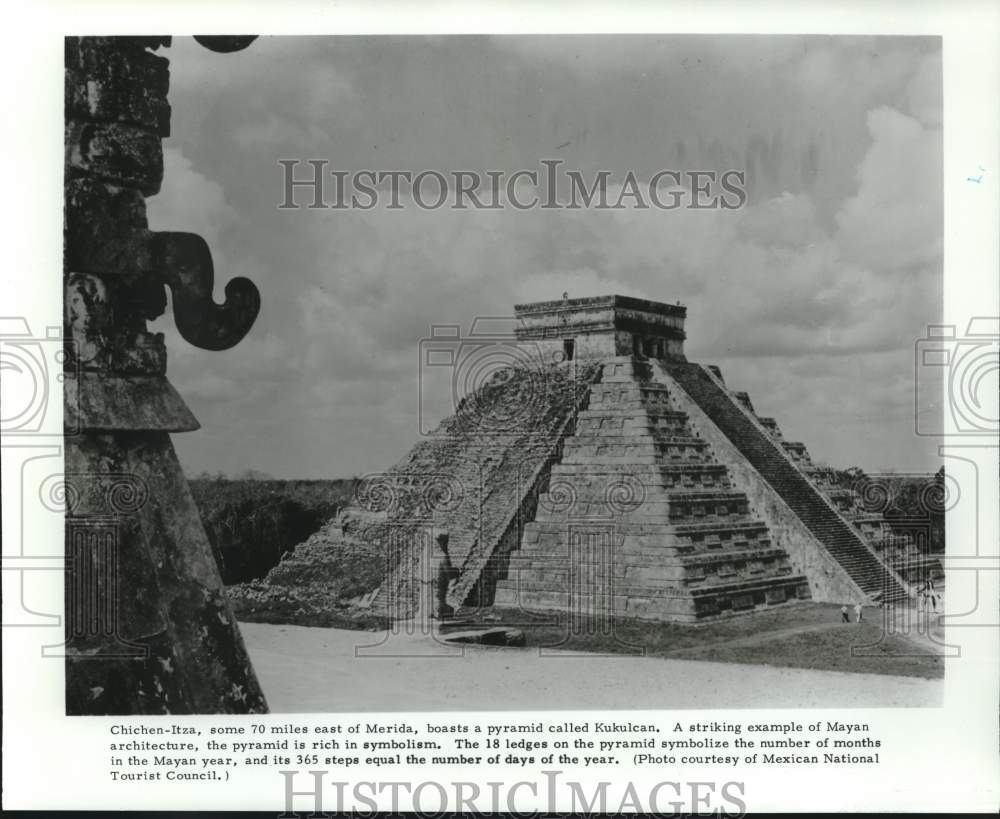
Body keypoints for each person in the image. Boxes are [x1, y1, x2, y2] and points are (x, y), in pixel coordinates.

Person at [434, 532, 459, 620]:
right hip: (440, 589)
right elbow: (449, 574)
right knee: (446, 607)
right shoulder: (444, 556)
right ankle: (439, 613)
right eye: (445, 542)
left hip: (434, 587)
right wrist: (456, 571)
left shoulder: (431, 555)